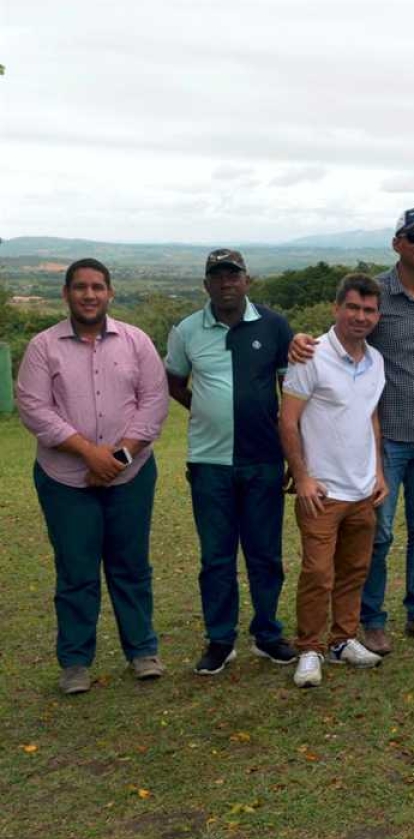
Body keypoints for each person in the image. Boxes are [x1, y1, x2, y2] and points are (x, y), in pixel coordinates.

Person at [289, 208, 414, 649]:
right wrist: (301, 339)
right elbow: (342, 336)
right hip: (387, 440)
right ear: (397, 242)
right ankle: (372, 619)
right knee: (378, 535)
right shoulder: (375, 295)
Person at [16, 258, 169, 694]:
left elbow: (154, 403)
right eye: (80, 287)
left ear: (109, 293)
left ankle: (142, 651)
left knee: (131, 566)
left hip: (131, 476)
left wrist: (117, 458)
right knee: (76, 571)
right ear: (66, 294)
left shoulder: (136, 341)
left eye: (97, 287)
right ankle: (75, 662)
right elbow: (34, 409)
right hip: (65, 479)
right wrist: (89, 454)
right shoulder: (43, 347)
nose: (89, 294)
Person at [165, 249, 297, 674]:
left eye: (233, 275)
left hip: (264, 459)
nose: (226, 283)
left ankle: (267, 633)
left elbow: (290, 393)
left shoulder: (274, 326)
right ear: (206, 284)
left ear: (247, 280)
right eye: (217, 276)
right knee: (216, 558)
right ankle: (221, 639)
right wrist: (208, 409)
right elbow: (175, 382)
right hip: (209, 462)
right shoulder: (186, 331)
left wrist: (296, 454)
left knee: (265, 554)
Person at [280, 274, 389, 687]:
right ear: (336, 308)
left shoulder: (376, 361)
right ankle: (310, 648)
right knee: (317, 574)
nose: (360, 317)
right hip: (322, 492)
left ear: (377, 315)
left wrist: (378, 471)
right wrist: (303, 477)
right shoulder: (311, 355)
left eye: (369, 310)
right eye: (353, 308)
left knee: (354, 570)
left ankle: (343, 640)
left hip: (363, 489)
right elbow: (287, 420)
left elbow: (370, 417)